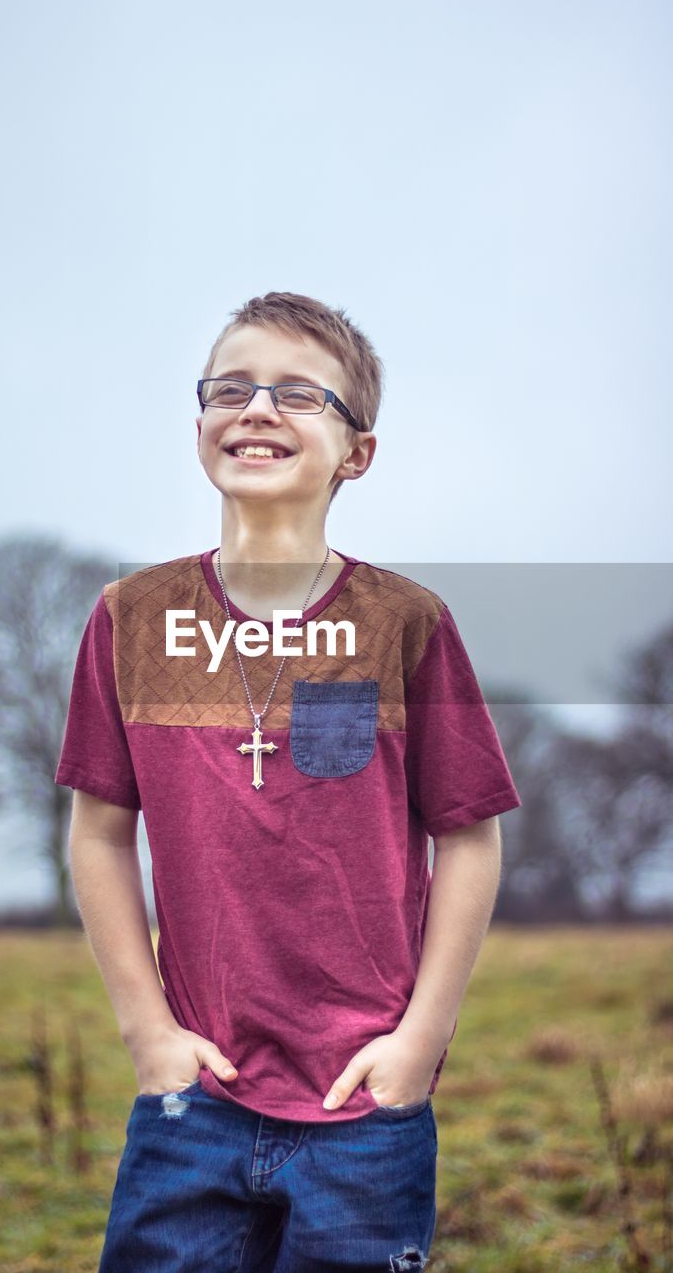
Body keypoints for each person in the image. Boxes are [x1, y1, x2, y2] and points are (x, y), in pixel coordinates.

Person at [54, 291, 522, 1272]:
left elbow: (469, 836)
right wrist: (150, 1034)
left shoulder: (407, 624)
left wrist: (416, 1044)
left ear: (356, 451)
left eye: (298, 393)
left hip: (365, 1097)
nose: (256, 407)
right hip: (195, 1093)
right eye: (231, 386)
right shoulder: (130, 619)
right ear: (200, 425)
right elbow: (97, 834)